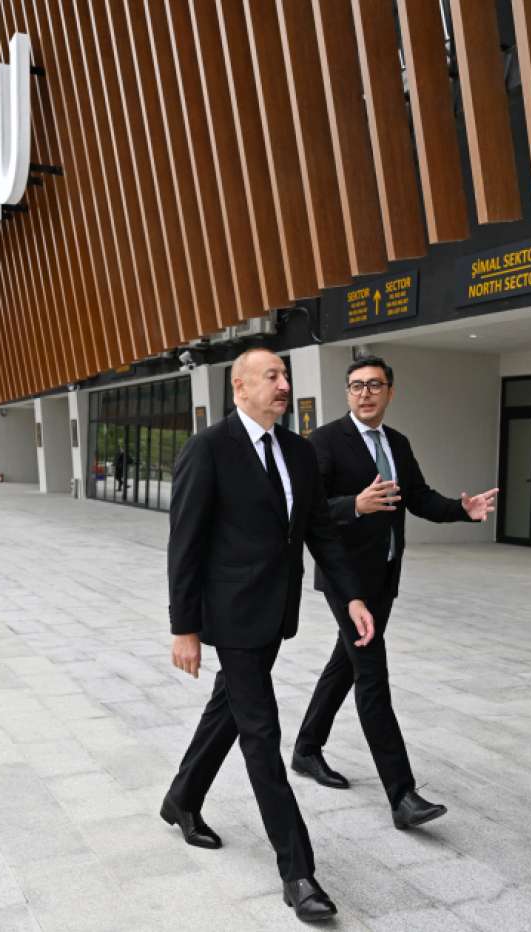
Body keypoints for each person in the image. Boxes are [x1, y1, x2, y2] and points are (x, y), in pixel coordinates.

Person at [162, 347, 374, 924]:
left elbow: (320, 532)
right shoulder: (209, 448)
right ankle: (297, 872)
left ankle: (181, 799)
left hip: (274, 615)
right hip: (231, 616)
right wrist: (184, 627)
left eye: (286, 376)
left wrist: (353, 595)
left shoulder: (298, 452)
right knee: (261, 732)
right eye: (272, 376)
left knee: (228, 710)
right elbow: (185, 544)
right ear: (240, 387)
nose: (283, 385)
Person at [291, 356, 498, 830]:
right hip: (345, 579)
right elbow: (307, 509)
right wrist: (355, 505)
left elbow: (418, 497)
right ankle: (402, 794)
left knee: (346, 664)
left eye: (374, 385)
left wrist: (462, 510)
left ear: (390, 391)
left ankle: (306, 748)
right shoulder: (325, 441)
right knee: (371, 676)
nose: (365, 393)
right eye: (356, 386)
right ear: (347, 392)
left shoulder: (397, 442)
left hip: (384, 575)